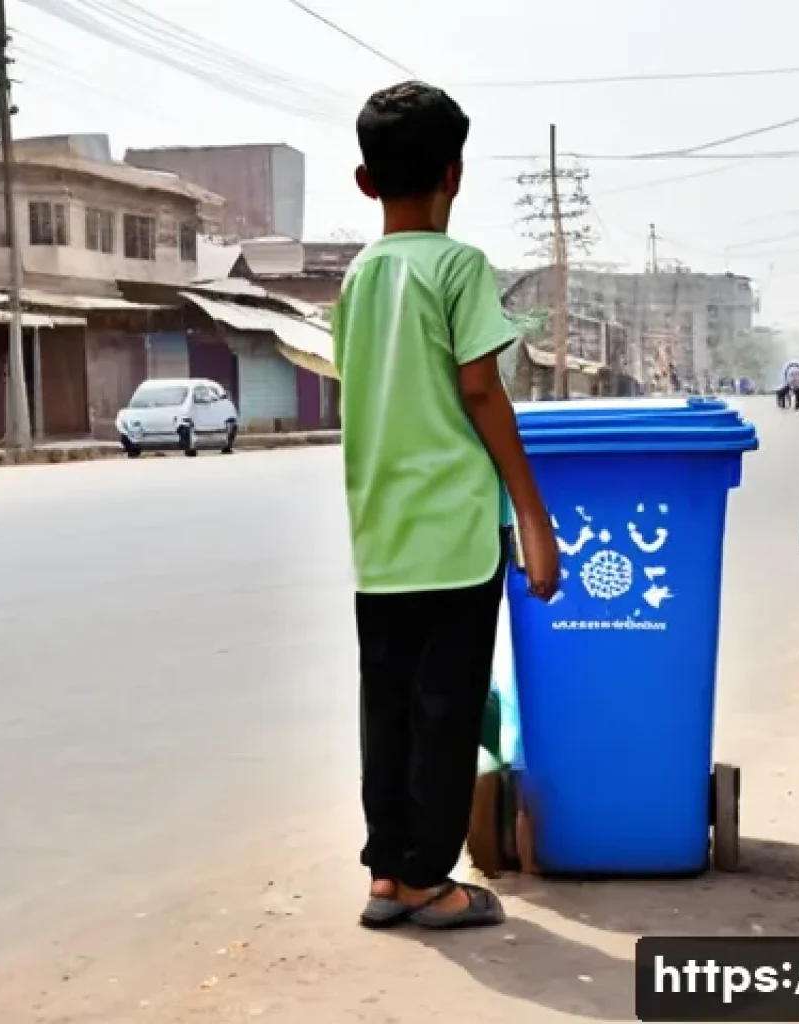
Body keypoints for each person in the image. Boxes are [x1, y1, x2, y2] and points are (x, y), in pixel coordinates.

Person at [333, 81, 561, 932]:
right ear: (454, 175)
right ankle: (431, 879)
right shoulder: (458, 268)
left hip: (381, 535)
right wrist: (533, 517)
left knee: (385, 707)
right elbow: (480, 389)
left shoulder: (358, 278)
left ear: (365, 181)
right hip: (458, 535)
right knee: (445, 708)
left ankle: (387, 874)